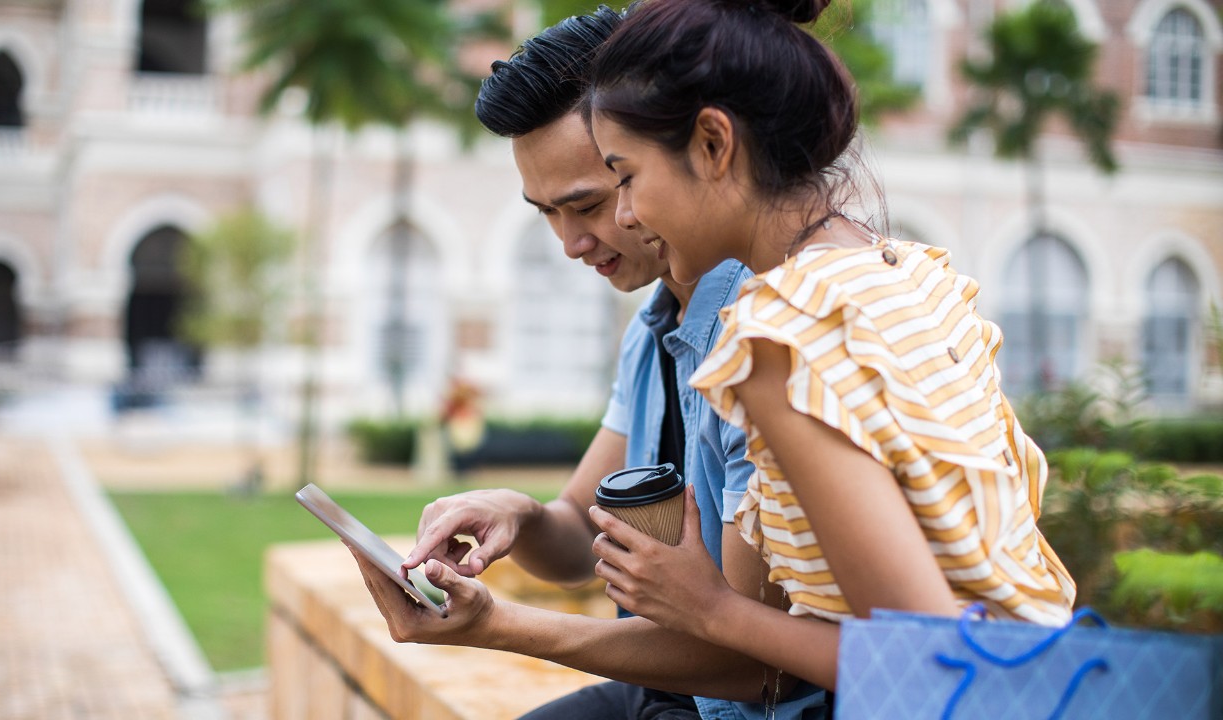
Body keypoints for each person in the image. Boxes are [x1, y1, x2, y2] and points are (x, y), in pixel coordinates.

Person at [584, 0, 1077, 696]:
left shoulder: (782, 335)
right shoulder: (909, 273)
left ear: (713, 144)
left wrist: (709, 609)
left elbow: (931, 665)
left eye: (625, 175)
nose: (625, 214)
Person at [350, 6, 829, 719]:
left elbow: (757, 661)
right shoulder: (653, 326)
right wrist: (515, 513)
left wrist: (500, 626)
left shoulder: (764, 343)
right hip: (663, 691)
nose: (571, 242)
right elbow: (579, 533)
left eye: (597, 199)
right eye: (546, 212)